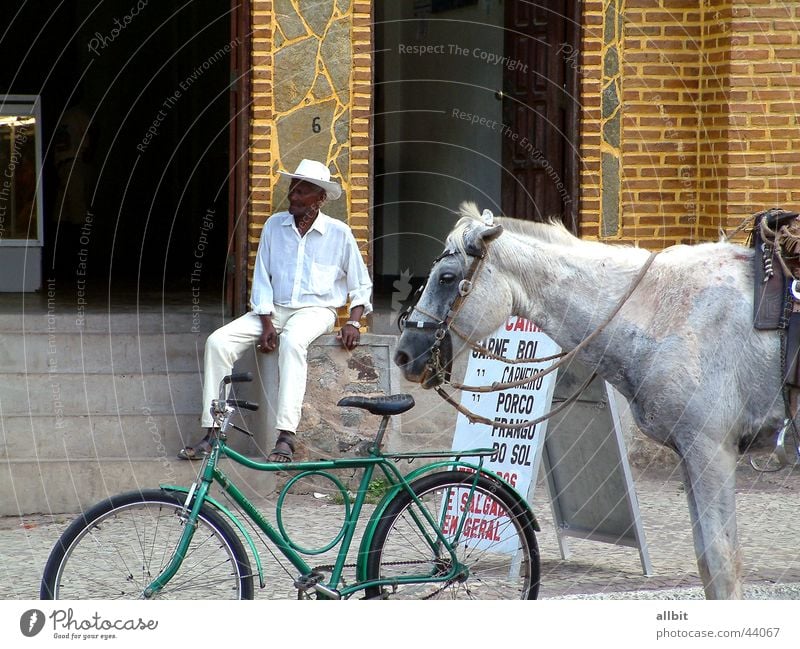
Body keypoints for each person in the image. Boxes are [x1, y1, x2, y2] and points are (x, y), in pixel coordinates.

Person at [178, 159, 372, 462]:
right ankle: (214, 433)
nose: (292, 196)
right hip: (273, 310)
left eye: (302, 192)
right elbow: (263, 281)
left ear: (320, 198)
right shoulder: (274, 226)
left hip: (316, 310)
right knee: (218, 342)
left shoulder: (339, 233)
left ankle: (286, 436)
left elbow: (361, 285)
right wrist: (267, 322)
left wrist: (354, 323)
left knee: (294, 342)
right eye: (292, 189)